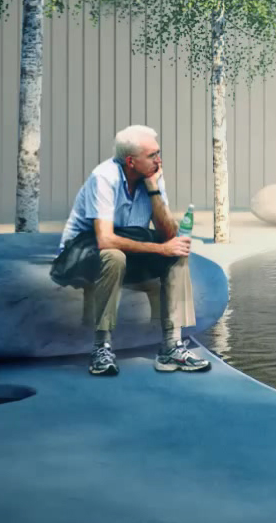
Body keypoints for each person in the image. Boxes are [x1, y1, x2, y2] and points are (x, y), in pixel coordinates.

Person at [49, 124, 211, 375]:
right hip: (81, 251)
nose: (159, 160)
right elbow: (105, 239)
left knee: (176, 252)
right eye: (152, 155)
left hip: (128, 245)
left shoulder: (153, 177)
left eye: (159, 153)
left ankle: (171, 347)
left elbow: (168, 234)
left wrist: (154, 189)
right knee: (114, 256)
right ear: (131, 161)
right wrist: (159, 249)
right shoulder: (104, 177)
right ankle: (101, 347)